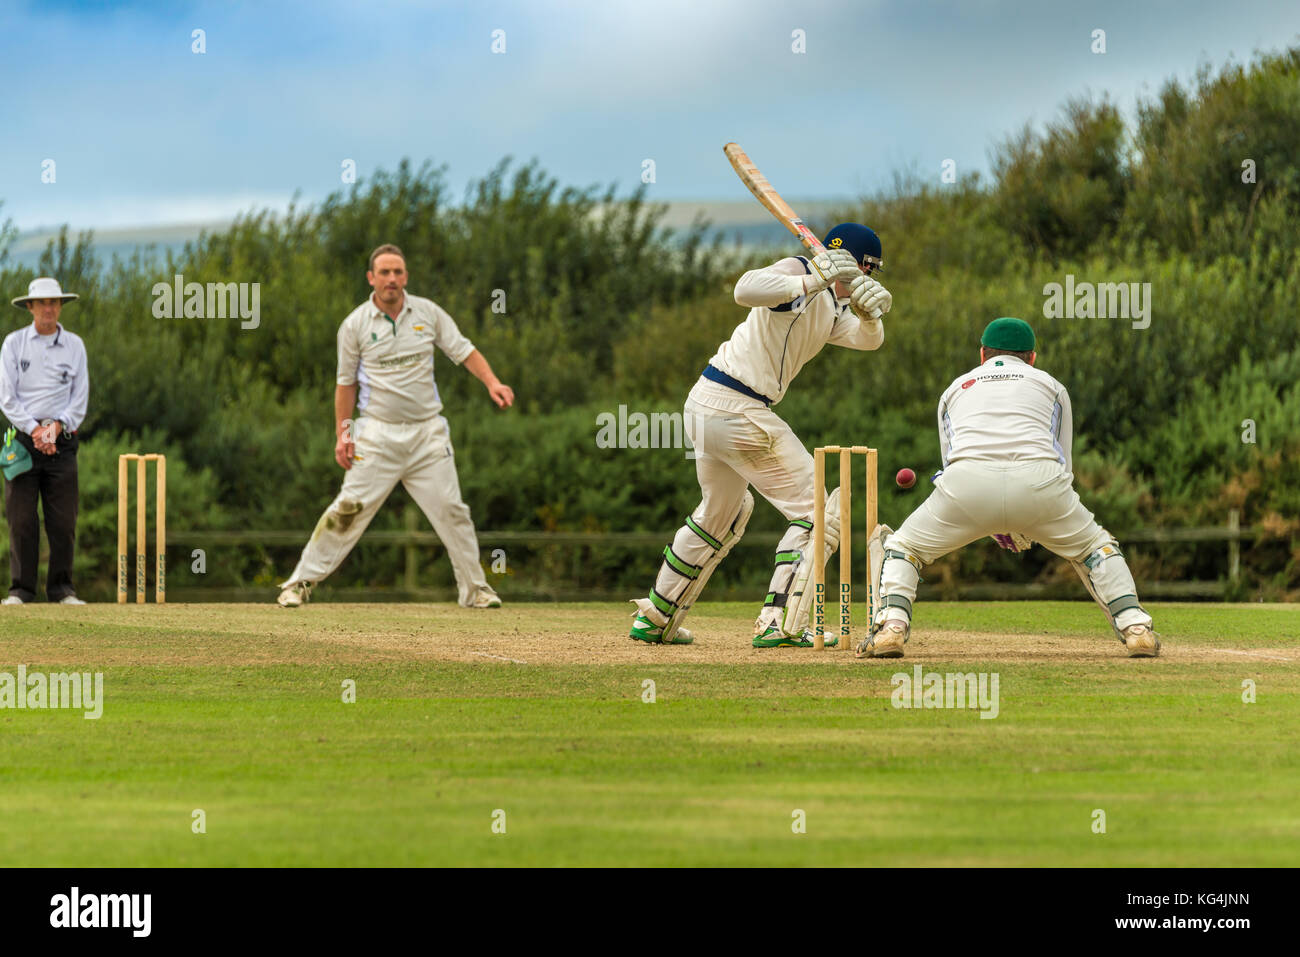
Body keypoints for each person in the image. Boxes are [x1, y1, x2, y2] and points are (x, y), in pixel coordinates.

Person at [629, 224, 894, 647]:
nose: (871, 281)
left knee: (723, 513)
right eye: (870, 272)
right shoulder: (798, 272)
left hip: (708, 405)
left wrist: (870, 317)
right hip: (737, 407)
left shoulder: (831, 304)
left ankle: (657, 615)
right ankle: (779, 623)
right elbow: (744, 289)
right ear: (861, 265)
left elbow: (868, 343)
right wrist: (812, 276)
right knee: (819, 511)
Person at [857, 316, 1160, 660]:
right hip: (1042, 482)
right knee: (1095, 547)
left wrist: (989, 520)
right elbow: (1062, 460)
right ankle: (1137, 630)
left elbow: (951, 462)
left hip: (966, 484)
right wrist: (1031, 515)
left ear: (982, 354)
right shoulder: (1051, 385)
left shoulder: (955, 388)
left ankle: (891, 629)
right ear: (1032, 357)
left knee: (903, 547)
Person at [277, 244, 512, 608]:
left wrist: (492, 382)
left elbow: (463, 350)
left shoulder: (428, 313)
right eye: (384, 272)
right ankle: (299, 584)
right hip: (377, 433)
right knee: (348, 508)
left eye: (398, 272)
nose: (392, 279)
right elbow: (345, 385)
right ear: (371, 278)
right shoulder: (355, 324)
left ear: (406, 276)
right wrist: (344, 434)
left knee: (453, 510)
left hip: (427, 434)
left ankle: (475, 590)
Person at [1, 278, 89, 605]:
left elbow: (79, 401)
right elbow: (7, 398)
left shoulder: (75, 346)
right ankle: (21, 591)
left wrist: (56, 428)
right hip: (22, 441)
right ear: (30, 307)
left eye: (54, 302)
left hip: (62, 440)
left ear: (61, 306)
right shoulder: (13, 344)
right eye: (42, 303)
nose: (48, 308)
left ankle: (62, 589)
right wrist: (36, 431)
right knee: (22, 520)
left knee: (63, 521)